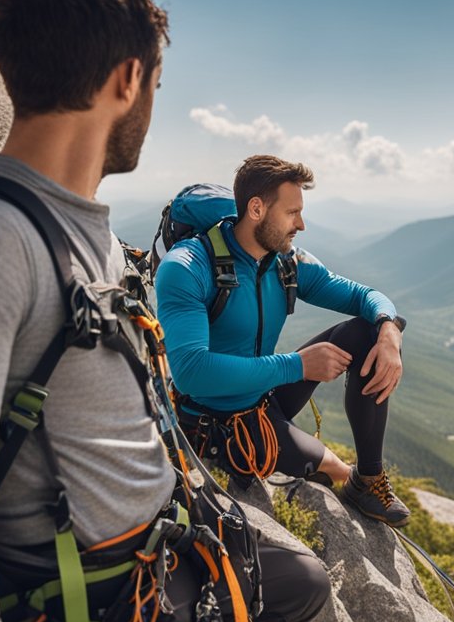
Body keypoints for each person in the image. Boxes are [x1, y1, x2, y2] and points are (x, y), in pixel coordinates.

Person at [0, 0, 328, 622]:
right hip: (97, 602)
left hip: (157, 545)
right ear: (128, 79)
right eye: (158, 83)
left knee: (302, 585)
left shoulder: (88, 233)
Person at [155, 155, 412, 526]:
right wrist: (299, 365)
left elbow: (362, 296)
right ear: (256, 209)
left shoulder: (284, 262)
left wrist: (389, 328)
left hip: (263, 398)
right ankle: (345, 475)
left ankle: (368, 478)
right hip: (216, 424)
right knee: (335, 469)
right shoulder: (189, 267)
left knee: (365, 330)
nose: (301, 224)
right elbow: (192, 373)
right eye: (292, 213)